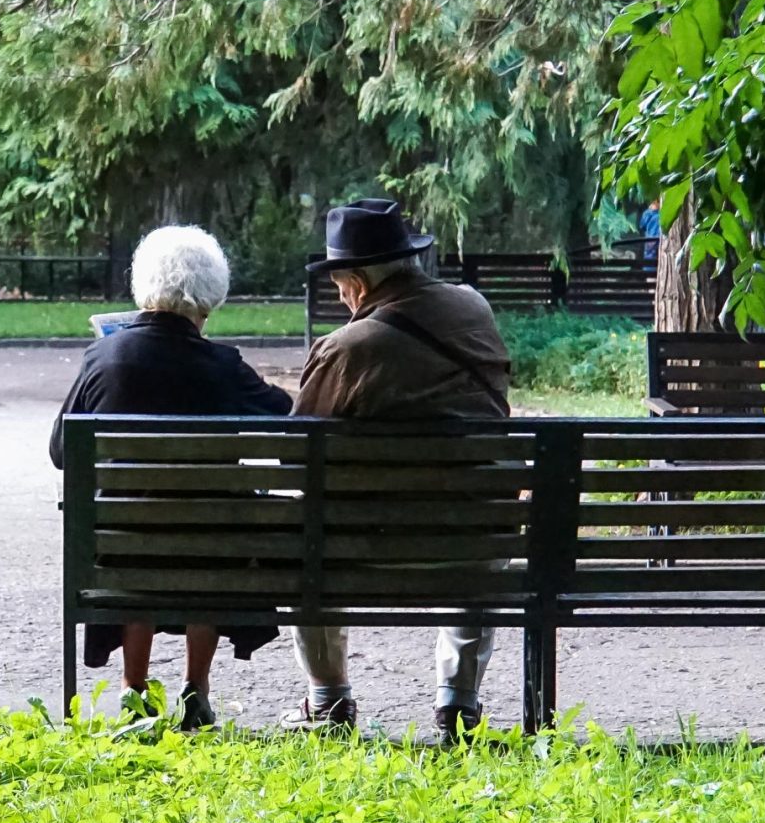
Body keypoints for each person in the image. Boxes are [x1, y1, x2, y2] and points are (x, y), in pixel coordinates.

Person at [283, 199, 513, 743]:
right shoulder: (473, 308)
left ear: (358, 282)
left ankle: (328, 698)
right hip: (477, 537)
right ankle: (457, 702)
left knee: (304, 533)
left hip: (368, 550)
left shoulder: (349, 347)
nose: (341, 299)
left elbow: (297, 450)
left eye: (340, 287)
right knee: (473, 518)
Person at [49, 226, 292, 729]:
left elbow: (60, 450)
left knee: (141, 543)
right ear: (211, 295)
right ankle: (195, 687)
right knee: (207, 536)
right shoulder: (223, 366)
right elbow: (286, 414)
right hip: (212, 547)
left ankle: (133, 688)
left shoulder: (104, 359)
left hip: (124, 546)